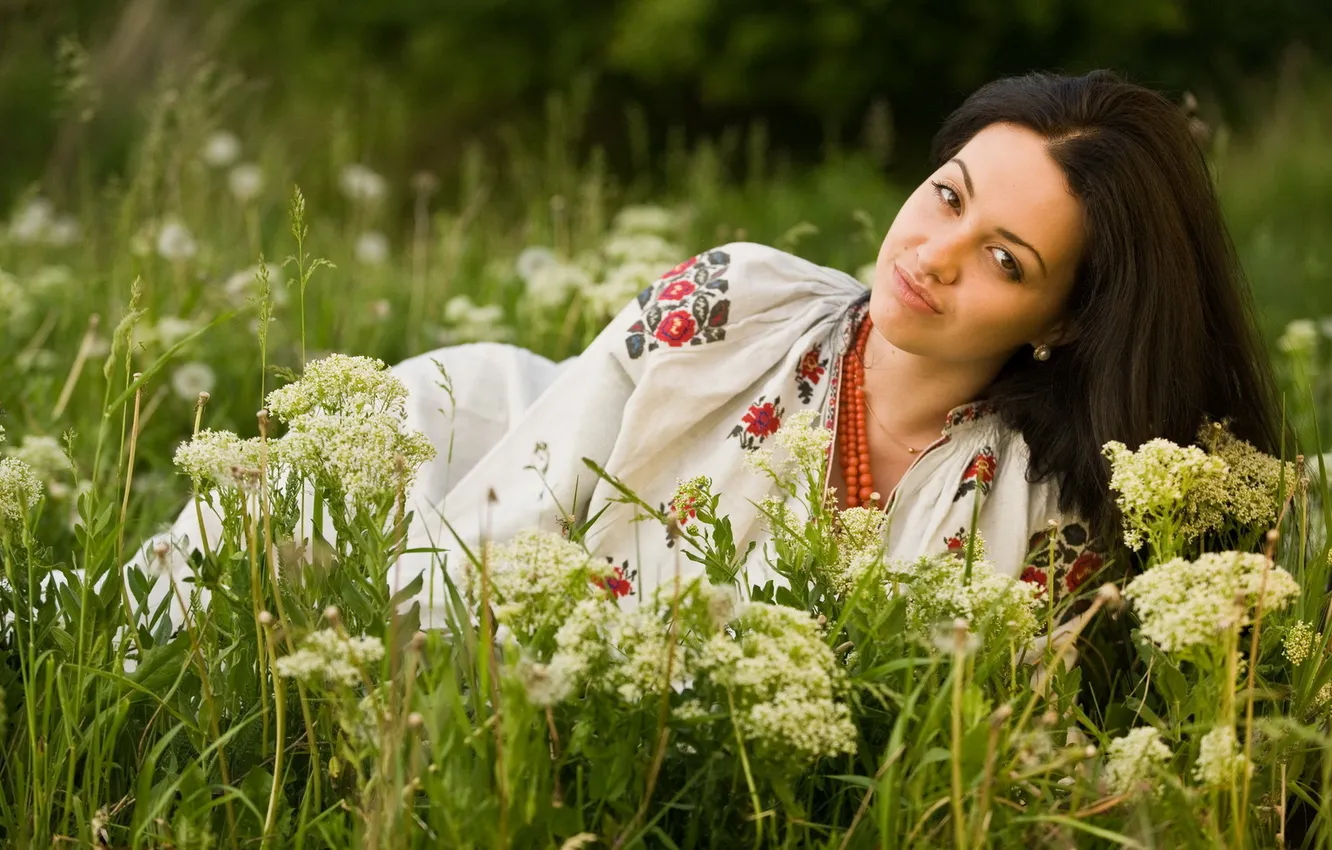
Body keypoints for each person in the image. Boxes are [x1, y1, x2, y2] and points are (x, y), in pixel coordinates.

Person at [135, 69, 1282, 630]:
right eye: (945, 195)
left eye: (1005, 259)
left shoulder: (1050, 511)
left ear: (1065, 321)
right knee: (179, 604)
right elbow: (523, 520)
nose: (932, 253)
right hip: (470, 455)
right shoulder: (735, 301)